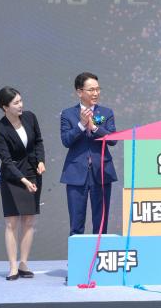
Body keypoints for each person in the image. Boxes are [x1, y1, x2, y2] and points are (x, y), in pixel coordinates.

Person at [0, 87, 45, 280]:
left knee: (29, 221)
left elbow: (38, 141)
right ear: (5, 107)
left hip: (33, 172)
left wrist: (41, 161)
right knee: (12, 222)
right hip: (13, 177)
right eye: (16, 103)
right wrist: (23, 180)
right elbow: (6, 161)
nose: (21, 105)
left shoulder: (30, 117)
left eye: (21, 101)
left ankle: (23, 263)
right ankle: (13, 266)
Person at [60, 72, 117, 236]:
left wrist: (94, 128)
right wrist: (81, 125)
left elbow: (113, 139)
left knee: (101, 222)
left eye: (98, 89)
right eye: (91, 90)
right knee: (76, 222)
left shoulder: (105, 113)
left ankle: (100, 252)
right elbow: (66, 141)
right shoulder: (68, 114)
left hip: (101, 172)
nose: (96, 93)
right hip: (76, 174)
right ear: (80, 92)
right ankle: (78, 252)